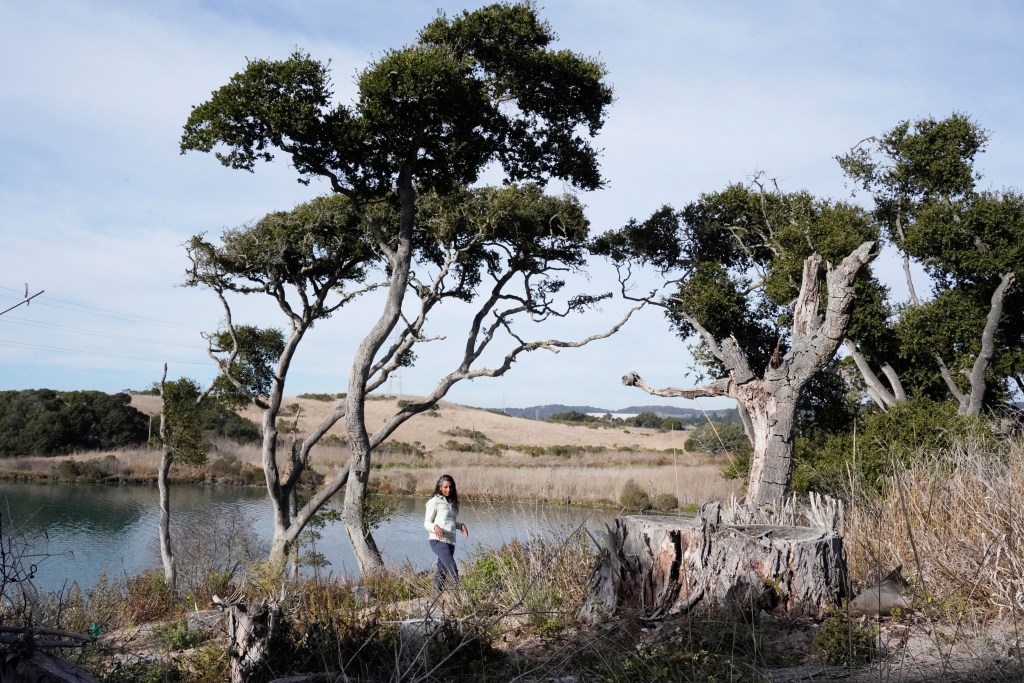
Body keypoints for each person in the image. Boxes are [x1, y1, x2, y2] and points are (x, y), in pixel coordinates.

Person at [424, 474, 469, 592]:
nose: (448, 489)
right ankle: (460, 595)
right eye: (445, 487)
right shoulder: (434, 502)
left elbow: (450, 522)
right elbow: (426, 523)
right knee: (452, 568)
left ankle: (434, 597)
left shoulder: (452, 503)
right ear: (440, 487)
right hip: (438, 540)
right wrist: (434, 527)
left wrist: (460, 525)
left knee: (442, 571)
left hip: (450, 541)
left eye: (450, 487)